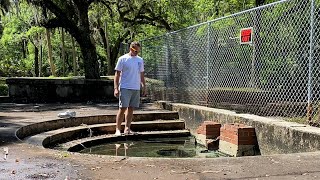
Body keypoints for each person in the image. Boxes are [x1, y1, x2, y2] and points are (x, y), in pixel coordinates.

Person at [113, 41, 146, 136]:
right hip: (125, 87)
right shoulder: (123, 59)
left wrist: (144, 86)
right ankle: (118, 129)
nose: (137, 53)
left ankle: (127, 128)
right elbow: (117, 74)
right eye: (135, 51)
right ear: (131, 49)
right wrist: (116, 88)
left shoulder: (140, 60)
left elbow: (142, 74)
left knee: (131, 108)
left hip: (135, 87)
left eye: (138, 51)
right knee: (122, 108)